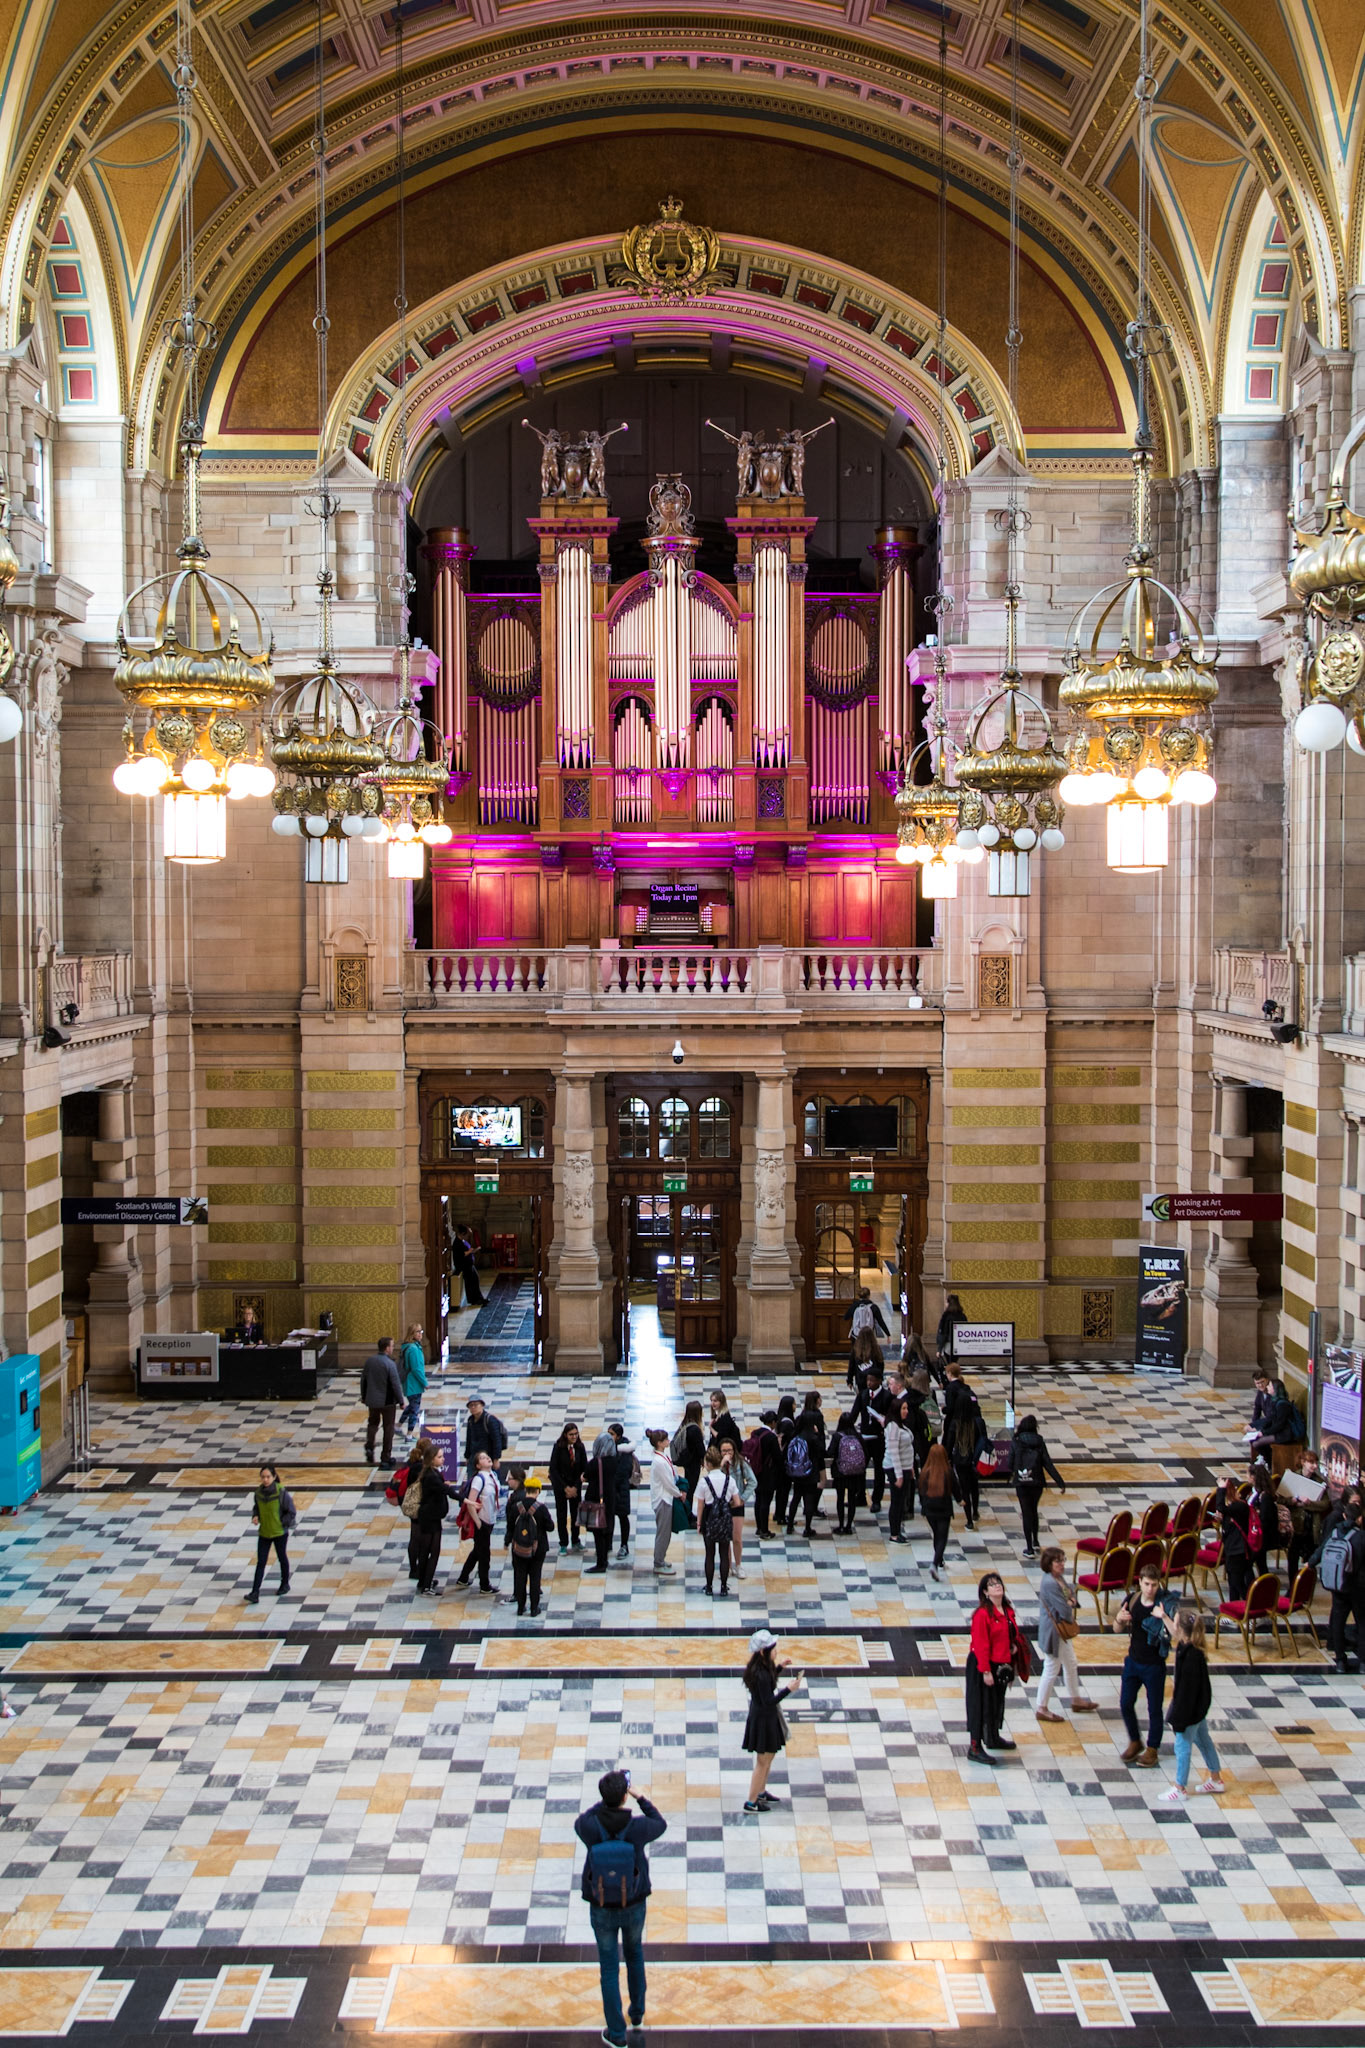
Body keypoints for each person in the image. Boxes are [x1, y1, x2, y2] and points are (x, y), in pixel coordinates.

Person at [574, 1769, 667, 2048]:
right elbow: (660, 1823)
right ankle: (636, 2014)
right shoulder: (637, 1828)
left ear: (603, 1797)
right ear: (625, 1796)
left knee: (608, 1967)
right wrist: (641, 1798)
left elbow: (580, 1820)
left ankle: (616, 2033)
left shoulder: (590, 1827)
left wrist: (605, 1801)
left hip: (601, 1904)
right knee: (634, 1954)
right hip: (633, 1902)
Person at [1114, 1564, 1177, 1766]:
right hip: (1133, 1662)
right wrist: (1119, 1619)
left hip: (1154, 1666)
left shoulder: (1166, 1603)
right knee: (1125, 1703)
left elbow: (1176, 1633)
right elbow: (1116, 1629)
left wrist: (1163, 1616)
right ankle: (1135, 1740)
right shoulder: (1132, 1600)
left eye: (1154, 1585)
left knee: (1154, 1709)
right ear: (1140, 1582)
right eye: (1147, 1584)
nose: (1150, 1589)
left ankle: (1152, 1748)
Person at [1162, 1609, 1225, 1802]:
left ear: (1181, 1629)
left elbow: (1186, 1693)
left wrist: (1178, 1720)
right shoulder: (1189, 1648)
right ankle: (1216, 1779)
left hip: (1189, 1712)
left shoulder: (1190, 1657)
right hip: (1198, 1710)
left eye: (1174, 1622)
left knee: (1182, 1747)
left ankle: (1180, 1788)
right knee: (1204, 1741)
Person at [741, 1629, 803, 1814]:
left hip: (766, 1718)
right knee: (763, 1761)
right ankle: (751, 1802)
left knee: (768, 1757)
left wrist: (779, 1668)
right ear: (763, 1651)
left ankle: (760, 1793)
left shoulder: (762, 1668)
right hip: (763, 1720)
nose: (776, 1652)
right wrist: (788, 1690)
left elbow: (767, 1684)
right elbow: (768, 1700)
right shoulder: (760, 1673)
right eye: (773, 1649)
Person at [1034, 1546, 1097, 1721]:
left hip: (1060, 1631)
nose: (1062, 1564)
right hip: (1054, 1632)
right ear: (1049, 1563)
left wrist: (1070, 1601)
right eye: (1058, 1561)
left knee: (1070, 1662)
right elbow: (1064, 1610)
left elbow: (1070, 1593)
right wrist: (1069, 1603)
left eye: (1063, 1560)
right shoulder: (1050, 1582)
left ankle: (1076, 1699)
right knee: (1051, 1668)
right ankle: (1041, 1707)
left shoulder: (1058, 1577)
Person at [966, 1571, 1022, 1764]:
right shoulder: (982, 1614)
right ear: (985, 1592)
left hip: (1001, 1663)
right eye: (991, 1584)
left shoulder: (1007, 1610)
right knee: (980, 1705)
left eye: (998, 1583)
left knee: (996, 1702)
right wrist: (986, 1671)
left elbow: (1009, 1632)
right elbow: (980, 1644)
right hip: (983, 1665)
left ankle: (992, 1737)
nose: (997, 1586)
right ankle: (975, 1747)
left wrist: (1012, 1645)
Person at [1315, 1499, 1365, 1673]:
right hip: (1359, 1587)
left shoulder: (1335, 1533)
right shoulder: (1361, 1536)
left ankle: (1340, 1661)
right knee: (1362, 1622)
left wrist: (1310, 1563)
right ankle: (1363, 1662)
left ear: (1344, 1515)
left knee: (1337, 1623)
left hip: (1338, 1584)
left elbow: (1321, 1550)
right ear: (1360, 1519)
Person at [1012, 1413, 1066, 1559]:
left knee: (1026, 1513)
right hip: (1037, 1482)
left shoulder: (1016, 1441)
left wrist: (1013, 1472)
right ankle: (1035, 1541)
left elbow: (1010, 1462)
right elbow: (1047, 1463)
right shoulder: (1039, 1441)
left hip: (1022, 1482)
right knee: (1033, 1510)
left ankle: (1029, 1548)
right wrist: (1060, 1482)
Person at [943, 1362, 985, 1529]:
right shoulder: (976, 1423)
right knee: (974, 1486)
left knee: (964, 1488)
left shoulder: (955, 1424)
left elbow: (949, 1444)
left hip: (961, 1459)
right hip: (974, 1459)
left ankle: (968, 1520)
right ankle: (975, 1511)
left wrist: (947, 1458)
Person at [246, 1462, 295, 1604]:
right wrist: (256, 1516)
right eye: (263, 1477)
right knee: (261, 1562)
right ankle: (255, 1592)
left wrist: (282, 1523)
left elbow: (291, 1511)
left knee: (281, 1557)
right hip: (264, 1533)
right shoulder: (258, 1493)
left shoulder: (281, 1492)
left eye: (268, 1477)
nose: (265, 1480)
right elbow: (257, 1507)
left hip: (279, 1532)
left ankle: (285, 1584)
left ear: (274, 1477)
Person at [507, 1472, 553, 1617]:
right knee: (535, 1577)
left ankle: (521, 1608)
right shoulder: (541, 1508)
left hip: (519, 1547)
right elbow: (550, 1527)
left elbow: (510, 1527)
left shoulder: (516, 1507)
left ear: (526, 1489)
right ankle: (534, 1608)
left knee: (520, 1577)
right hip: (538, 1549)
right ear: (538, 1491)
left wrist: (507, 1541)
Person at [696, 1444, 740, 1597]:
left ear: (708, 1463)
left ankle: (709, 1587)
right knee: (724, 1553)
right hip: (725, 1518)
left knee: (709, 1553)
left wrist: (699, 1523)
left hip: (709, 1518)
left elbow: (700, 1504)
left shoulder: (704, 1482)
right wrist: (726, 1505)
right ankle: (723, 1587)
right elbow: (737, 1502)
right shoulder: (730, 1480)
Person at [783, 1390, 826, 1537]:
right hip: (811, 1468)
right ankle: (807, 1528)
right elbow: (821, 1447)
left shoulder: (799, 1431)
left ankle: (790, 1525)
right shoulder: (814, 1433)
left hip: (798, 1469)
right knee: (809, 1498)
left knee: (796, 1497)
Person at [456, 1451, 500, 1593]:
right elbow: (470, 1502)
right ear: (477, 1465)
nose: (487, 1458)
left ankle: (463, 1577)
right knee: (484, 1554)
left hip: (490, 1519)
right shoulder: (479, 1479)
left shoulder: (492, 1475)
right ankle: (484, 1585)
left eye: (487, 1456)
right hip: (482, 1521)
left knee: (478, 1550)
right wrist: (478, 1522)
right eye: (482, 1458)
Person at [412, 1440, 449, 1596]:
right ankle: (426, 1585)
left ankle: (424, 1581)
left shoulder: (430, 1472)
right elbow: (445, 1490)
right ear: (432, 1459)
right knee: (432, 1551)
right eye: (440, 1457)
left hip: (429, 1517)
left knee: (426, 1550)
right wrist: (465, 1500)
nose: (443, 1459)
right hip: (430, 1518)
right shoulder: (431, 1475)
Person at [360, 1337, 403, 1467]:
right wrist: (401, 1401)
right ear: (387, 1348)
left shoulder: (370, 1361)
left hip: (372, 1401)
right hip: (387, 1402)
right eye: (392, 1346)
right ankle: (386, 1457)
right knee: (388, 1428)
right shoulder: (390, 1364)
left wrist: (364, 1396)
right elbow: (395, 1385)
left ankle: (370, 1446)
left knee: (372, 1424)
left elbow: (363, 1380)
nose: (393, 1348)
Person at [1215, 1475, 1254, 1603]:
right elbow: (1229, 1524)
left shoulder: (1240, 1506)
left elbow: (1221, 1508)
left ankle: (1250, 1606)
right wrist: (1222, 1520)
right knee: (1232, 1582)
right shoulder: (1233, 1508)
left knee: (1238, 1583)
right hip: (1232, 1549)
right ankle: (1233, 1608)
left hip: (1239, 1550)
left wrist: (1221, 1489)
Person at [828, 1408, 868, 1535]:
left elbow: (830, 1452)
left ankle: (840, 1525)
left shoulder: (837, 1436)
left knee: (840, 1498)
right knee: (851, 1500)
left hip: (840, 1473)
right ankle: (849, 1526)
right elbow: (865, 1454)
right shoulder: (858, 1436)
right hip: (855, 1473)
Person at [550, 1421, 588, 1552]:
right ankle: (563, 1543)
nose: (574, 1437)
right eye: (571, 1434)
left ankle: (576, 1540)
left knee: (575, 1514)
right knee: (561, 1515)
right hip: (561, 1487)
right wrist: (565, 1487)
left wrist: (575, 1487)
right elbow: (553, 1469)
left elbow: (584, 1468)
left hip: (575, 1486)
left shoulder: (580, 1447)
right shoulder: (558, 1447)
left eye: (576, 1434)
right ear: (566, 1435)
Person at [647, 1429, 681, 1575]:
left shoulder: (663, 1457)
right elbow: (667, 1483)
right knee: (663, 1533)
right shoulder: (659, 1461)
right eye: (666, 1439)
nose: (669, 1441)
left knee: (665, 1533)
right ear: (659, 1443)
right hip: (663, 1500)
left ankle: (660, 1558)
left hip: (666, 1498)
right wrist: (679, 1494)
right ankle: (658, 1562)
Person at [918, 1442, 955, 1577]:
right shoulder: (948, 1472)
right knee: (942, 1537)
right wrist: (960, 1500)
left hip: (929, 1510)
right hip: (944, 1510)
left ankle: (939, 1560)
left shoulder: (924, 1472)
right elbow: (955, 1488)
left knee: (937, 1535)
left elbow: (921, 1492)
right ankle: (935, 1563)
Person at [584, 1435, 618, 1574]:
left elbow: (585, 1476)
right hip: (610, 1500)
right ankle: (605, 1557)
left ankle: (601, 1563)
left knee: (598, 1533)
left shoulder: (595, 1463)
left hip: (596, 1500)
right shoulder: (615, 1461)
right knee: (607, 1528)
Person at [747, 1411, 784, 1538]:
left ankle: (759, 1528)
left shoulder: (755, 1433)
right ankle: (764, 1530)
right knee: (765, 1502)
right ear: (773, 1422)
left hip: (756, 1470)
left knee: (758, 1499)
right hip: (768, 1473)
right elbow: (777, 1457)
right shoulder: (771, 1437)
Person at [883, 1399, 914, 1543]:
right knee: (896, 1501)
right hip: (896, 1469)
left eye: (906, 1408)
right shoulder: (893, 1427)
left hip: (904, 1468)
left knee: (901, 1502)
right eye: (903, 1408)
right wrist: (899, 1475)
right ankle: (894, 1534)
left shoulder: (901, 1425)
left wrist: (910, 1467)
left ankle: (897, 1530)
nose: (906, 1411)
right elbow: (893, 1452)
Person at [719, 1437, 750, 1577]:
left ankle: (738, 1565)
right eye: (724, 1451)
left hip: (737, 1504)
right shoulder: (718, 1465)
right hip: (722, 1505)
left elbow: (752, 1481)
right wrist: (721, 1464)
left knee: (736, 1537)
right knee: (725, 1538)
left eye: (729, 1450)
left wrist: (742, 1498)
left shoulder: (741, 1463)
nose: (727, 1453)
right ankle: (727, 1565)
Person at [606, 1423, 635, 1562]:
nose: (609, 1436)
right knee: (608, 1517)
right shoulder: (607, 1446)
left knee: (623, 1517)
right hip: (610, 1488)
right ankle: (607, 1543)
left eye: (611, 1434)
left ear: (618, 1436)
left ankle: (624, 1545)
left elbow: (625, 1470)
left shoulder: (625, 1450)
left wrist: (612, 1481)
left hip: (620, 1489)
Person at [671, 1400, 706, 1507]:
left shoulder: (685, 1424)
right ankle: (687, 1511)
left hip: (686, 1461)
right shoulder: (695, 1429)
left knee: (688, 1486)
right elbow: (700, 1449)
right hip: (693, 1462)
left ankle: (687, 1510)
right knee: (691, 1489)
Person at [772, 1395, 797, 1530]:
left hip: (779, 1462)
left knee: (780, 1489)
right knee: (784, 1490)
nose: (795, 1406)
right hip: (784, 1462)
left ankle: (778, 1513)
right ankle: (781, 1515)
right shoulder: (787, 1423)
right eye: (794, 1404)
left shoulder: (781, 1420)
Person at [464, 1396, 508, 1472]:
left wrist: (496, 1459)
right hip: (474, 1458)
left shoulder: (490, 1420)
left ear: (482, 1405)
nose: (473, 1407)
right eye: (471, 1405)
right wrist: (467, 1456)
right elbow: (469, 1440)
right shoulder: (470, 1420)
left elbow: (497, 1441)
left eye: (476, 1405)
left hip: (488, 1457)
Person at [399, 1324, 427, 1438]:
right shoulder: (413, 1349)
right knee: (414, 1409)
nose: (420, 1334)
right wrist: (424, 1382)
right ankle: (409, 1434)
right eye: (417, 1332)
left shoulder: (410, 1346)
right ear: (412, 1334)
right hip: (413, 1383)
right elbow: (416, 1369)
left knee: (412, 1405)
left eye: (421, 1331)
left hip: (411, 1382)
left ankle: (398, 1425)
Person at [936, 1291, 966, 1366]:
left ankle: (951, 1372)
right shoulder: (962, 1316)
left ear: (949, 1303)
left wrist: (939, 1349)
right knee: (954, 1362)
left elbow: (944, 1333)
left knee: (949, 1363)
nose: (945, 1304)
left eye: (946, 1302)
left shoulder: (946, 1316)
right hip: (959, 1344)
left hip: (948, 1344)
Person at [709, 1390, 742, 1456]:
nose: (712, 1403)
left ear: (721, 1402)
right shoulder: (718, 1415)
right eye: (711, 1400)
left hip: (726, 1451)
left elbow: (720, 1436)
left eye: (715, 1401)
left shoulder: (725, 1417)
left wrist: (711, 1428)